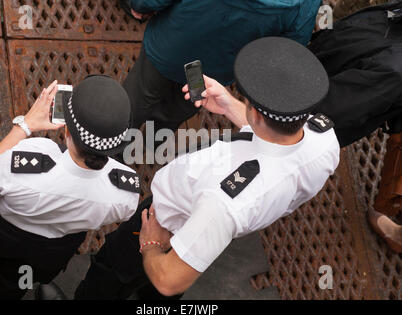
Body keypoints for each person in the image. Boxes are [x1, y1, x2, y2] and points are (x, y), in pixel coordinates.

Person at [39, 37, 339, 299]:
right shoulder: (324, 139)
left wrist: (151, 244)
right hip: (197, 227)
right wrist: (231, 105)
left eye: (247, 100)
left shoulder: (224, 202)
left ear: (259, 116)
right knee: (154, 293)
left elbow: (169, 279)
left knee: (113, 271)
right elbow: (276, 141)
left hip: (166, 223)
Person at [0, 75, 140, 300]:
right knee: (10, 289)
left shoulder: (33, 156)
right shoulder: (126, 191)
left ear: (67, 131)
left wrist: (25, 125)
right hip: (44, 255)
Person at [120, 0, 323, 135]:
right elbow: (285, 53)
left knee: (138, 97)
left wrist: (141, 4)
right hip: (208, 72)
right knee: (181, 107)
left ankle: (112, 146)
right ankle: (153, 142)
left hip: (170, 47)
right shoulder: (305, 5)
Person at [308, 1, 402, 253]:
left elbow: (329, 112)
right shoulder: (393, 14)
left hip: (308, 119)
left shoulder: (392, 71)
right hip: (328, 61)